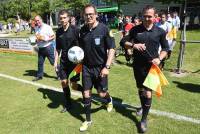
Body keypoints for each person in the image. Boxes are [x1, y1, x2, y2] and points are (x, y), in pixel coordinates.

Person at [124, 5, 169, 133]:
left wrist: (159, 58)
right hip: (138, 66)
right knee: (140, 89)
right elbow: (123, 42)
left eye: (150, 16)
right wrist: (134, 45)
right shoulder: (135, 30)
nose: (147, 18)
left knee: (148, 92)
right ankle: (142, 107)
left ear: (155, 17)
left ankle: (143, 119)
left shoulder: (160, 31)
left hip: (152, 67)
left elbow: (165, 48)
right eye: (145, 16)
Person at [79, 4, 116, 132]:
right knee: (86, 93)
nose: (89, 16)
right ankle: (88, 120)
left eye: (91, 14)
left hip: (101, 67)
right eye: (86, 14)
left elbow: (112, 48)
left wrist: (107, 66)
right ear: (84, 15)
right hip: (86, 67)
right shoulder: (82, 30)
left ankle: (109, 100)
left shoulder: (104, 29)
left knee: (101, 93)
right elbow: (80, 49)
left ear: (96, 15)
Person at [54, 9, 83, 113]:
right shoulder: (58, 32)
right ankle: (68, 104)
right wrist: (55, 62)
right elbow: (58, 48)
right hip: (64, 62)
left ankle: (85, 93)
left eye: (64, 18)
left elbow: (82, 45)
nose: (63, 20)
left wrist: (81, 58)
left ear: (69, 18)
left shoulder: (76, 30)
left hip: (76, 63)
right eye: (61, 18)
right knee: (63, 82)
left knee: (74, 85)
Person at [32, 15, 56, 81]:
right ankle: (39, 76)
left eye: (38, 20)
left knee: (53, 62)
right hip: (41, 48)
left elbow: (53, 36)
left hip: (48, 47)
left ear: (41, 19)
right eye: (36, 21)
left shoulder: (47, 27)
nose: (37, 22)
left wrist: (47, 39)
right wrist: (36, 40)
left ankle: (60, 75)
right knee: (40, 63)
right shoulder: (36, 28)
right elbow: (37, 37)